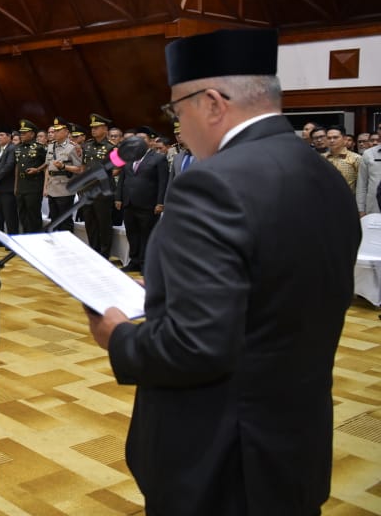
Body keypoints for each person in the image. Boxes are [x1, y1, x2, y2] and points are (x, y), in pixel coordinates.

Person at [87, 27, 360, 516]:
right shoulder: (321, 172)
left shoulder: (211, 184)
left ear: (211, 102)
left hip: (218, 455)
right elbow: (277, 287)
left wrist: (119, 338)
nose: (176, 126)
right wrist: (178, 284)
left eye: (176, 110)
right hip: (293, 441)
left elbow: (196, 346)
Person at [114, 126, 168, 272]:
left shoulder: (159, 158)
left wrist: (160, 202)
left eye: (143, 139)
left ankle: (146, 264)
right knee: (132, 234)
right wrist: (118, 197)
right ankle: (134, 261)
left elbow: (163, 182)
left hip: (148, 204)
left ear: (151, 142)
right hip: (129, 202)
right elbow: (122, 179)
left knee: (147, 235)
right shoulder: (129, 157)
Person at [81, 113, 116, 259]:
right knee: (90, 222)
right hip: (87, 189)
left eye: (97, 127)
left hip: (103, 190)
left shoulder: (111, 147)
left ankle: (104, 254)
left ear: (105, 129)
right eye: (92, 128)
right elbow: (84, 166)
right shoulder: (87, 145)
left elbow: (117, 169)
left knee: (104, 223)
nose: (93, 130)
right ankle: (93, 251)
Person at [44, 116, 82, 231]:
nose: (54, 132)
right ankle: (57, 246)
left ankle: (67, 247)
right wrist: (45, 187)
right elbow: (48, 168)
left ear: (66, 132)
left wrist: (64, 166)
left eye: (58, 130)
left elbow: (79, 169)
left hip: (65, 188)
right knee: (54, 220)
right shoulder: (51, 146)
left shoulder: (72, 148)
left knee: (65, 221)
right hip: (52, 187)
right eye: (54, 130)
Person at [14, 119, 46, 232]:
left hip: (34, 185)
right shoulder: (18, 148)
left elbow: (47, 164)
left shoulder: (39, 148)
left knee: (33, 215)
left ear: (32, 134)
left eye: (24, 133)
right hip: (21, 186)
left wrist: (37, 170)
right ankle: (26, 240)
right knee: (22, 215)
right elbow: (17, 167)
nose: (21, 135)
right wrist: (16, 187)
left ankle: (36, 240)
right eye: (21, 133)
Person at [0, 128, 19, 240]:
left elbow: (9, 166)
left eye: (2, 135)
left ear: (9, 136)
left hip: (7, 188)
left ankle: (13, 239)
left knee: (10, 216)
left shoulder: (12, 148)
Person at [324, 124, 360, 192]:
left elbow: (361, 184)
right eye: (329, 138)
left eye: (335, 137)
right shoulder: (321, 158)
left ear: (344, 139)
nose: (332, 140)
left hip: (348, 199)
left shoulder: (356, 158)